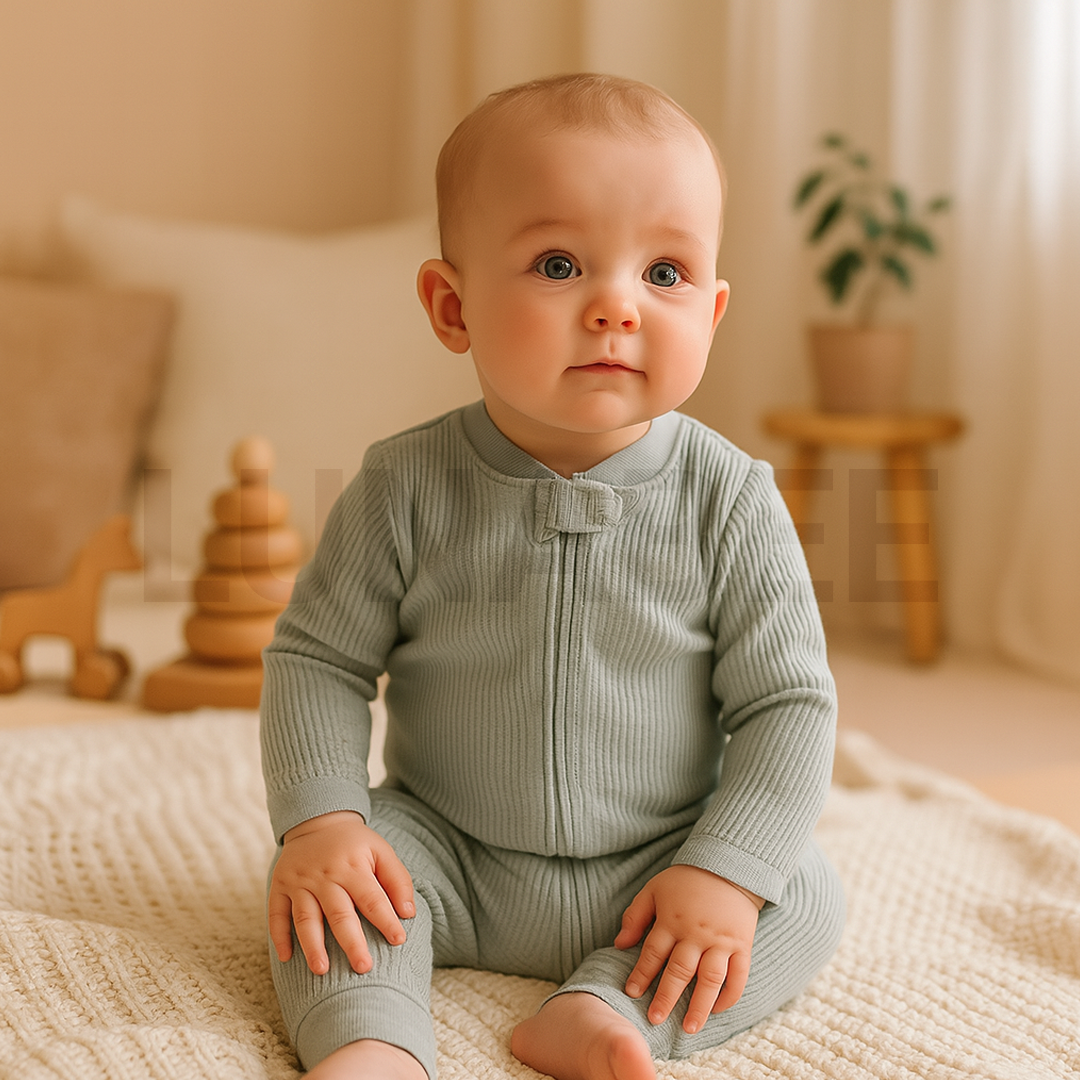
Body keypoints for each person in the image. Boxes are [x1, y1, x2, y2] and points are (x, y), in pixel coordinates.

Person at [260, 72, 845, 1080]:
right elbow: (317, 661)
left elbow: (789, 704)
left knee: (803, 893)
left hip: (657, 860)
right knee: (326, 899)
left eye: (664, 274)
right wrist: (323, 822)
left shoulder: (731, 498)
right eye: (561, 263)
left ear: (712, 311)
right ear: (453, 305)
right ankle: (369, 1040)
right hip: (446, 849)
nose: (618, 305)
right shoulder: (404, 484)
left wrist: (722, 872)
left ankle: (610, 1007)